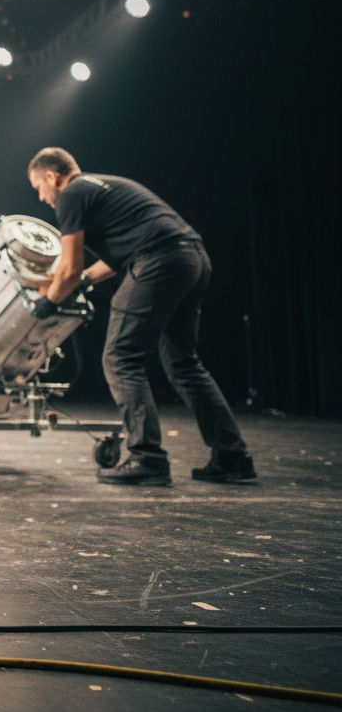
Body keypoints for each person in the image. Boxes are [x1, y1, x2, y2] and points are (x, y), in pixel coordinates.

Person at [27, 147, 254, 486]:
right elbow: (106, 262)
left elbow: (70, 267)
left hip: (159, 262)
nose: (41, 197)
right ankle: (232, 456)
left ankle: (147, 458)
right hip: (191, 258)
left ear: (52, 176)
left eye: (38, 188)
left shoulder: (70, 194)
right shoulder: (103, 185)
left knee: (120, 357)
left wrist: (49, 301)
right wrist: (83, 282)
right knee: (184, 365)